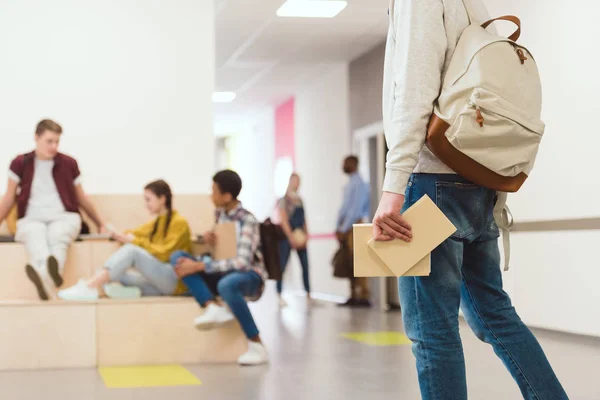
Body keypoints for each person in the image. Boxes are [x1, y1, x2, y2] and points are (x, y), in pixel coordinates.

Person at [373, 1, 568, 399]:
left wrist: (393, 188)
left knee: (432, 331)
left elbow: (415, 90)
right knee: (493, 313)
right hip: (477, 180)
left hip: (429, 182)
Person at [170, 170, 269, 366]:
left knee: (226, 284)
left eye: (214, 191)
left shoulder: (247, 220)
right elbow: (223, 254)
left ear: (227, 196)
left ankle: (257, 344)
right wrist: (210, 242)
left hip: (249, 276)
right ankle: (211, 306)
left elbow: (242, 262)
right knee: (178, 258)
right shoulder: (220, 215)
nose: (211, 195)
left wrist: (200, 265)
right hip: (224, 271)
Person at [0, 119, 105, 300]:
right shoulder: (20, 163)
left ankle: (42, 277)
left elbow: (81, 197)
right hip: (31, 218)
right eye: (49, 141)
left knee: (58, 238)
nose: (54, 146)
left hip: (64, 217)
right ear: (36, 138)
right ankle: (48, 280)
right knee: (36, 239)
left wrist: (100, 223)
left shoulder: (69, 163)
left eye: (57, 141)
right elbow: (8, 198)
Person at [57, 180, 192, 300]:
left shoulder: (179, 222)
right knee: (114, 273)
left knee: (131, 251)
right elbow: (133, 233)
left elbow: (164, 253)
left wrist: (132, 241)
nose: (146, 204)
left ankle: (89, 287)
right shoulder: (156, 222)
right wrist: (115, 233)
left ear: (162, 199)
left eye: (148, 199)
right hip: (160, 285)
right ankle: (131, 292)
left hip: (173, 280)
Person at [335, 155, 371, 307]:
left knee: (358, 260)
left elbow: (355, 210)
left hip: (354, 226)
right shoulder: (350, 183)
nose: (342, 165)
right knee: (349, 261)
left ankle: (363, 296)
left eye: (345, 163)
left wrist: (343, 228)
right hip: (346, 227)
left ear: (353, 164)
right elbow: (344, 208)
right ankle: (353, 294)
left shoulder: (359, 184)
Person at [276, 173, 310, 307]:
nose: (298, 184)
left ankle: (308, 293)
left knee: (305, 266)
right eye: (296, 181)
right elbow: (283, 220)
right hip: (287, 237)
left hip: (300, 235)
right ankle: (279, 294)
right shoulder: (283, 200)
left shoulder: (300, 200)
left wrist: (306, 235)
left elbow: (304, 219)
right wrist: (291, 238)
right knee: (282, 266)